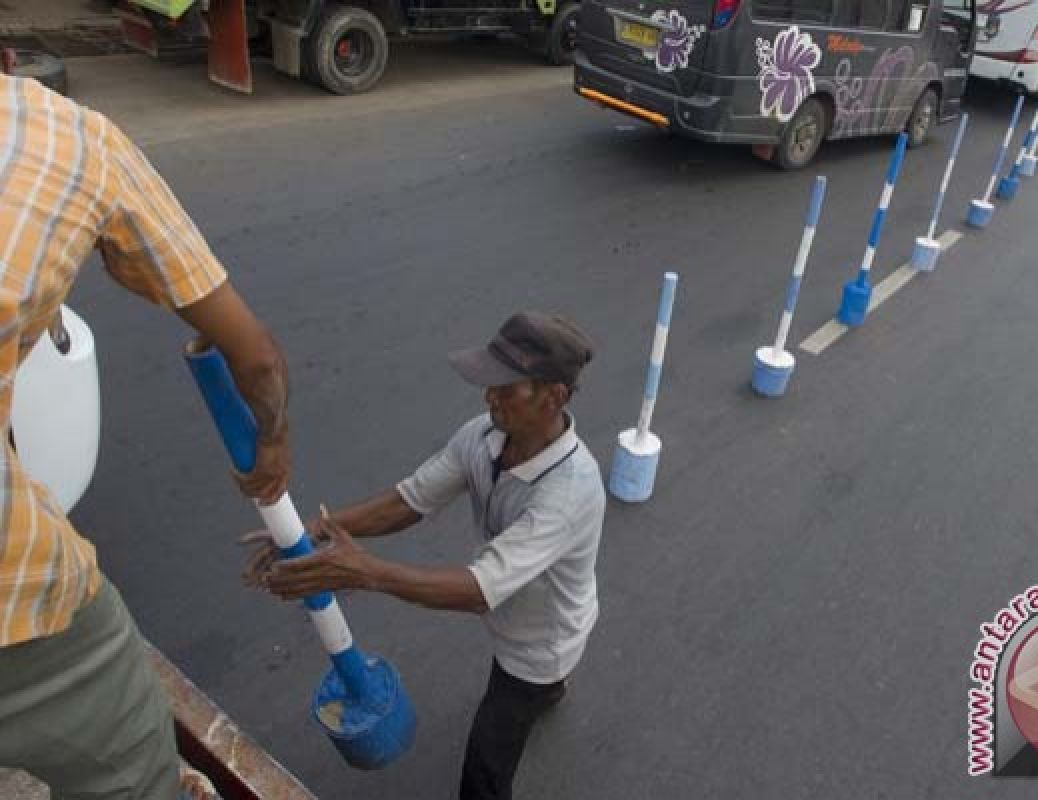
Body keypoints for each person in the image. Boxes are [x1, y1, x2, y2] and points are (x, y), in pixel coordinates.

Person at [0, 73, 291, 797]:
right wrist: (275, 444)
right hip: (15, 598)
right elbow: (254, 357)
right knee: (127, 744)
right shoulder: (63, 134)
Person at [244, 312, 605, 800]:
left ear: (554, 397)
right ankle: (551, 692)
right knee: (538, 690)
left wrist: (366, 571)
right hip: (513, 611)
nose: (488, 395)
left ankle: (545, 690)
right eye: (489, 382)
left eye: (506, 387)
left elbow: (478, 590)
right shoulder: (484, 434)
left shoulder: (571, 492)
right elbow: (409, 500)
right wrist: (315, 530)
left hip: (539, 643)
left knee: (486, 766)